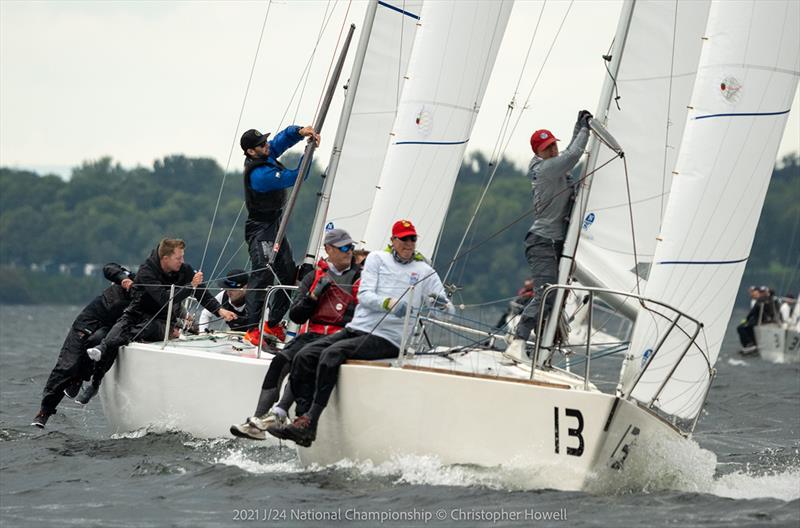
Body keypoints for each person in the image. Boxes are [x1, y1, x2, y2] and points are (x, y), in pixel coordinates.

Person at [266, 219, 453, 447]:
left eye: (412, 238)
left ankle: (310, 422)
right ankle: (301, 420)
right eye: (403, 239)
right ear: (393, 241)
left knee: (332, 354)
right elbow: (364, 296)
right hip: (359, 328)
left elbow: (448, 311)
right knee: (305, 355)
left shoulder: (425, 271)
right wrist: (388, 303)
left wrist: (441, 305)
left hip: (390, 338)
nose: (408, 243)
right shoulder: (376, 259)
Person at [230, 228, 361, 440]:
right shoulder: (313, 277)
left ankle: (284, 414)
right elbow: (297, 316)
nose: (349, 252)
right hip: (313, 334)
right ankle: (257, 420)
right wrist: (312, 297)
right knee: (280, 360)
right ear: (328, 249)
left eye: (351, 248)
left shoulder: (359, 277)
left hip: (340, 336)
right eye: (344, 248)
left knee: (303, 358)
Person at [84, 239, 238, 404]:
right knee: (119, 329)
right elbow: (164, 299)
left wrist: (220, 310)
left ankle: (103, 347)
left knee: (135, 330)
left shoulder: (183, 270)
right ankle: (95, 382)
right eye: (178, 258)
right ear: (165, 258)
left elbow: (201, 293)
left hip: (161, 320)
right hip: (137, 313)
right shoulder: (147, 271)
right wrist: (190, 286)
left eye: (182, 257)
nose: (182, 261)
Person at [506, 110, 592, 362]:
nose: (552, 150)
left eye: (553, 144)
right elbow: (573, 155)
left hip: (555, 243)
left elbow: (568, 153)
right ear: (538, 153)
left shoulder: (552, 164)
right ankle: (518, 340)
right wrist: (586, 129)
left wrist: (578, 125)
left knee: (556, 295)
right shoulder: (546, 169)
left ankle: (537, 347)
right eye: (546, 148)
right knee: (547, 292)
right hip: (542, 242)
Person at [239, 125, 320, 347]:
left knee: (287, 274)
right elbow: (295, 176)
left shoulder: (264, 152)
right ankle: (252, 329)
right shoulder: (260, 175)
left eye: (265, 142)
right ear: (251, 152)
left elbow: (281, 140)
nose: (267, 146)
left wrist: (300, 132)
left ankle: (273, 323)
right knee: (263, 274)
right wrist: (309, 152)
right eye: (261, 145)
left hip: (275, 225)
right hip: (260, 228)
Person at [32, 263, 135, 428]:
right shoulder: (134, 277)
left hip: (108, 327)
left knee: (100, 345)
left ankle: (81, 379)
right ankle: (45, 410)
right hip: (89, 320)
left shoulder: (151, 294)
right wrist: (124, 279)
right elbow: (109, 268)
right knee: (66, 366)